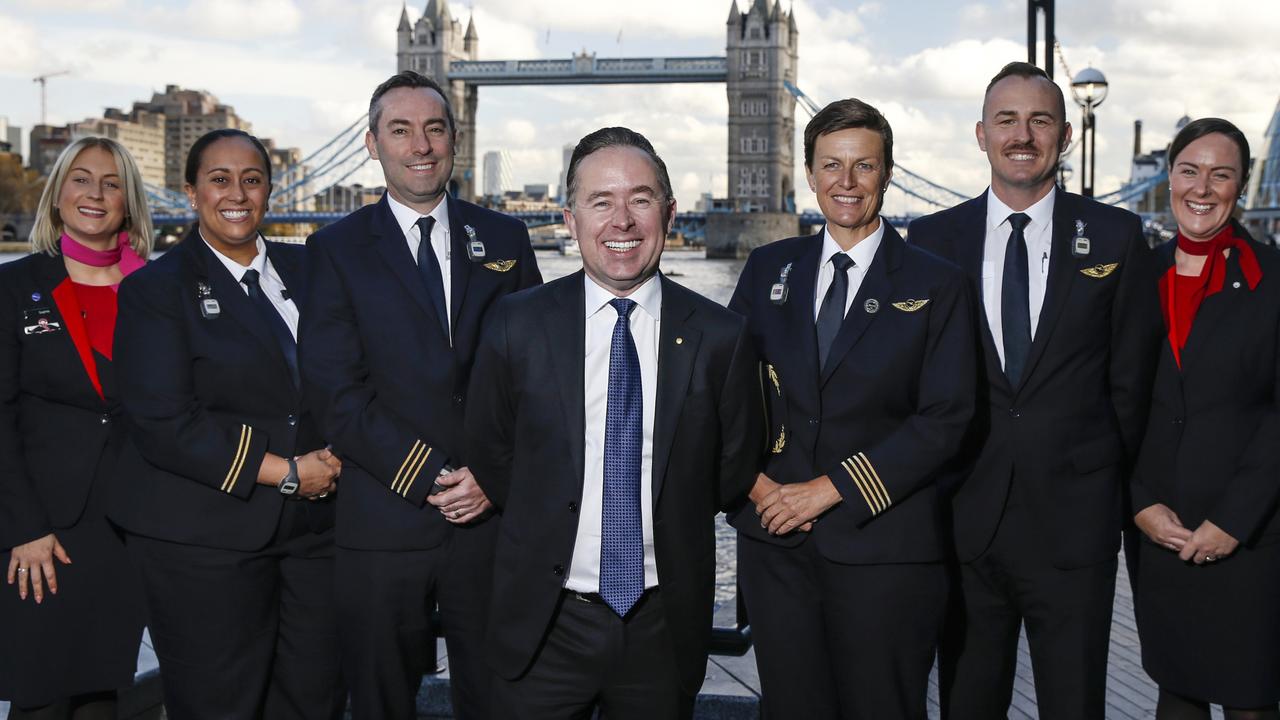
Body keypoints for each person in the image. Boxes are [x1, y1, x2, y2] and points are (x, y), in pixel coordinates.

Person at [464, 126, 761, 719]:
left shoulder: (722, 336)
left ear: (669, 215)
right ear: (570, 221)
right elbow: (491, 452)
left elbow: (731, 472)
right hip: (542, 625)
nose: (621, 221)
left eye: (641, 199)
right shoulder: (515, 325)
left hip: (662, 628)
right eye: (601, 202)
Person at [908, 61, 1162, 719]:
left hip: (1075, 530)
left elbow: (1132, 385)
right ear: (980, 134)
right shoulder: (932, 242)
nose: (1023, 135)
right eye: (1007, 120)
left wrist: (1109, 494)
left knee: (1075, 704)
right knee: (967, 704)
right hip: (964, 525)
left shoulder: (1116, 236)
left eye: (1040, 120)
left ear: (1066, 135)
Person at [299, 70, 541, 720]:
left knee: (498, 698)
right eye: (400, 131)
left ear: (454, 140)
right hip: (382, 521)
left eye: (434, 129)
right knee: (380, 702)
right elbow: (335, 395)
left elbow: (537, 379)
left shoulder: (507, 240)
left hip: (489, 523)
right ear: (373, 144)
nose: (421, 146)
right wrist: (434, 477)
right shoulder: (333, 250)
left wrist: (492, 477)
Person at [727, 99, 977, 718]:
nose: (846, 183)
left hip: (885, 551)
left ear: (887, 174)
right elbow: (720, 396)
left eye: (863, 166)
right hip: (776, 546)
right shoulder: (767, 270)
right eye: (830, 165)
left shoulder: (936, 282)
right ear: (808, 174)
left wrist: (828, 490)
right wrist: (756, 488)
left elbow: (947, 418)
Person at [109, 128, 344, 719]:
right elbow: (164, 421)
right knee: (221, 706)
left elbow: (354, 373)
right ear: (191, 193)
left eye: (252, 179)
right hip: (202, 540)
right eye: (219, 179)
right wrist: (288, 472)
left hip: (314, 537)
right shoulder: (154, 290)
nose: (236, 192)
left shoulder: (312, 269)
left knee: (314, 700)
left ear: (269, 190)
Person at [1130, 118, 1280, 720]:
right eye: (1189, 170)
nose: (1203, 186)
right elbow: (1115, 403)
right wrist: (1138, 502)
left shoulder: (1274, 281)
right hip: (1159, 532)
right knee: (1176, 695)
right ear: (1170, 179)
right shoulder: (1136, 277)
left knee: (1250, 702)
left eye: (1221, 174)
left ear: (1240, 186)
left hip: (1252, 538)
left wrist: (1233, 521)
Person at [0, 137, 151, 720]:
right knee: (41, 695)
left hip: (130, 528)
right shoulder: (14, 288)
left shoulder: (156, 292)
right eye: (81, 179)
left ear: (129, 200)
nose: (96, 193)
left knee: (101, 696)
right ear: (58, 195)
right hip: (44, 532)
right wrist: (24, 528)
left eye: (112, 183)